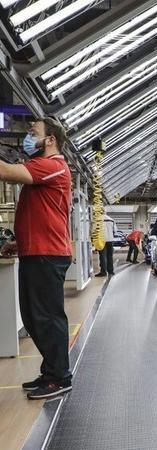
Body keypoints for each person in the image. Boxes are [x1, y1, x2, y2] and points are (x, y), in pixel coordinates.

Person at [0, 117, 74, 400]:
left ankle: (60, 377)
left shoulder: (53, 166)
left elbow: (5, 172)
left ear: (50, 140)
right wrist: (19, 243)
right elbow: (40, 214)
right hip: (36, 251)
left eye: (33, 133)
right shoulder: (42, 168)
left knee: (48, 317)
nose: (28, 137)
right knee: (34, 317)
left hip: (48, 253)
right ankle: (51, 371)